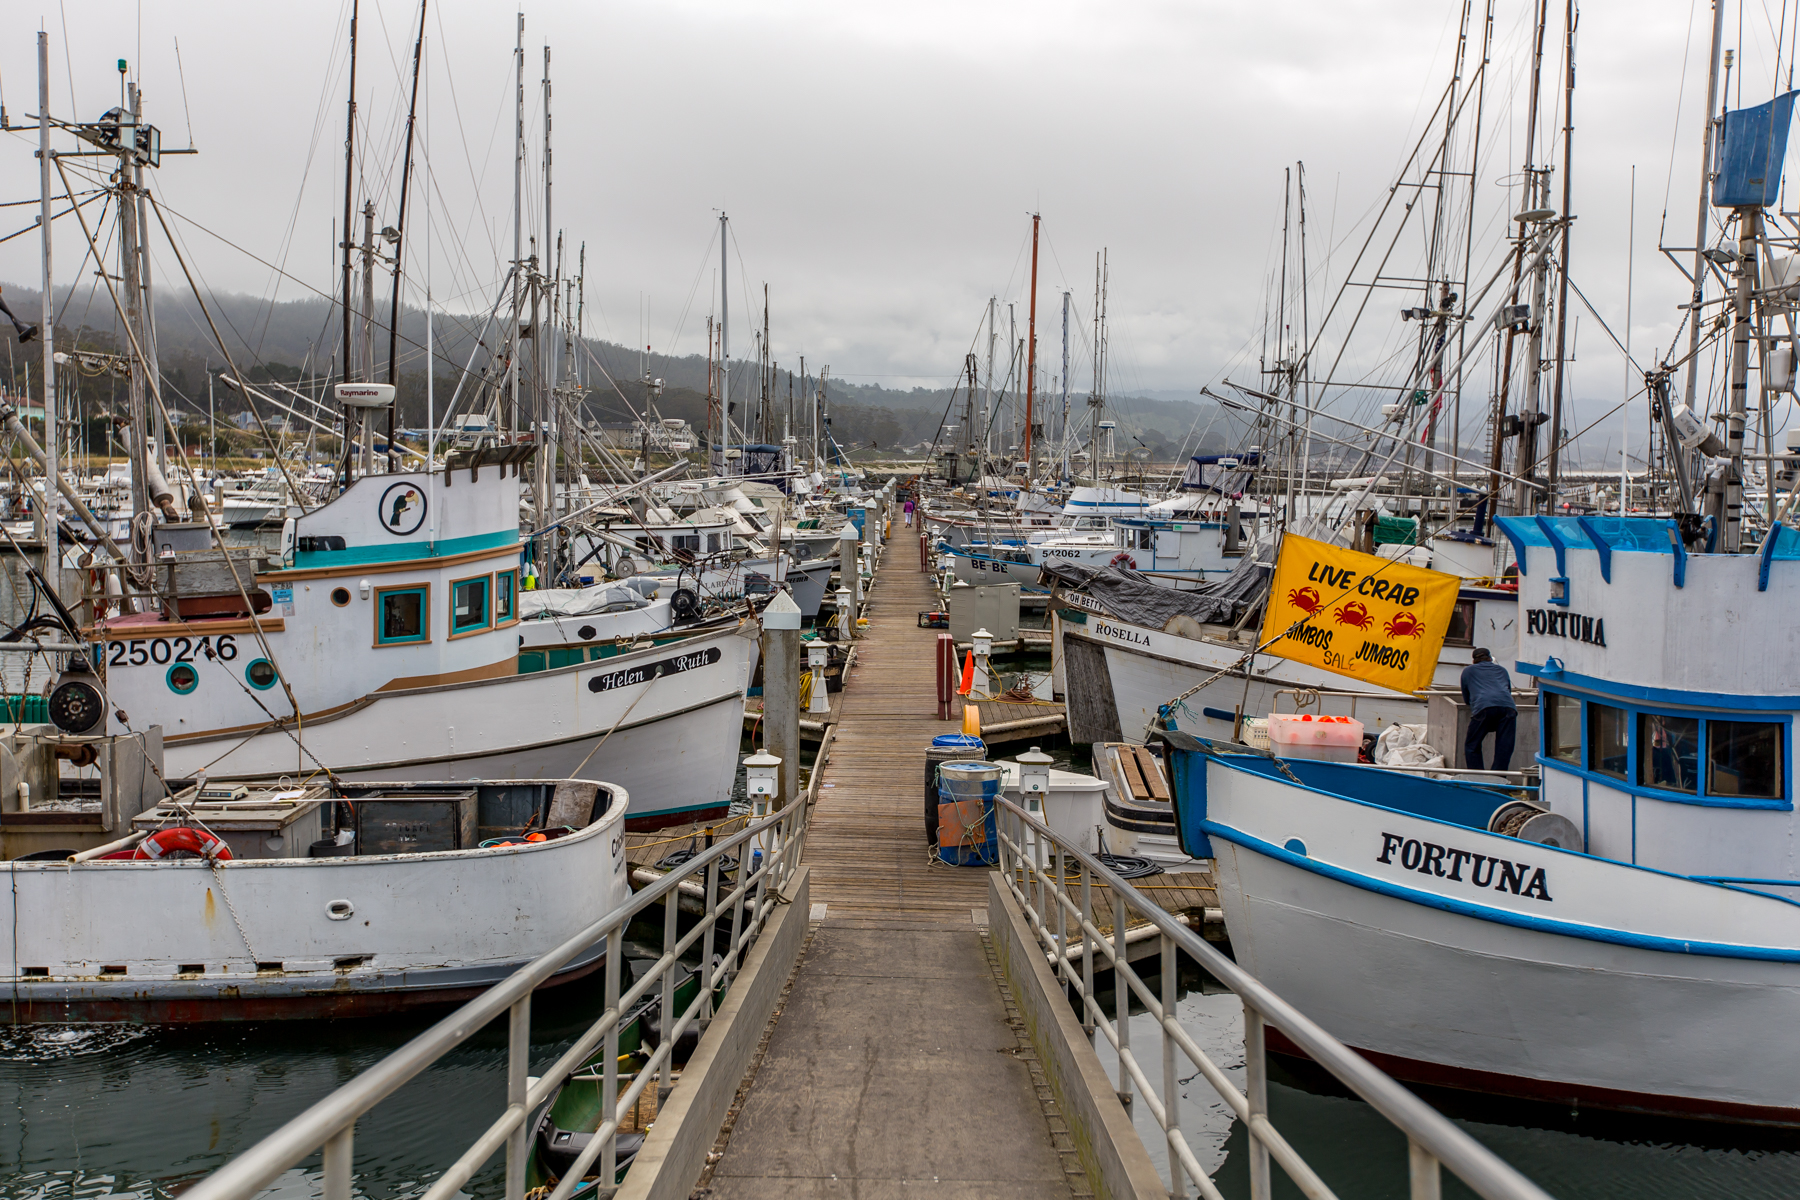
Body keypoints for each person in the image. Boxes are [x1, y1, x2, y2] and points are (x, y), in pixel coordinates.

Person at [1460, 647, 1516, 771]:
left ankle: (1478, 779)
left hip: (1483, 707)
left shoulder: (1468, 671)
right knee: (1504, 746)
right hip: (1508, 708)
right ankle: (1498, 779)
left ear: (1474, 660)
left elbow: (1466, 698)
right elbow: (1507, 690)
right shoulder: (1502, 670)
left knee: (1472, 745)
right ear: (1490, 658)